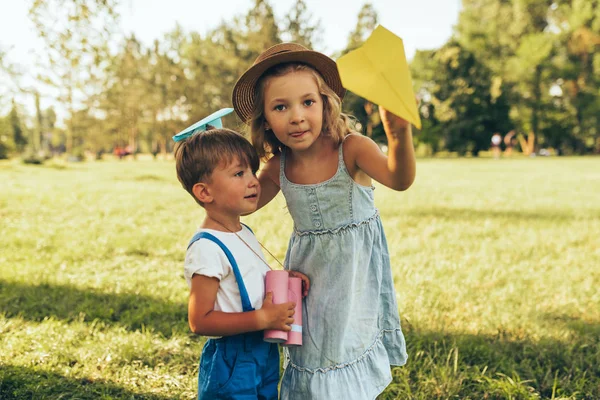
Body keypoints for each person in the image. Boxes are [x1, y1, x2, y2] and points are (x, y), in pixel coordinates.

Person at [232, 43, 414, 399]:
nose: (296, 116)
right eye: (280, 107)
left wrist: (399, 134)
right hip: (308, 280)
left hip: (354, 277)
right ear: (265, 119)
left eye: (307, 102)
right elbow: (242, 206)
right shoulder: (277, 166)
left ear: (325, 102)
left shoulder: (353, 148)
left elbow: (400, 178)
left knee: (347, 346)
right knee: (313, 354)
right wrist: (216, 171)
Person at [173, 108, 310, 400]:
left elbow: (247, 279)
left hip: (262, 351)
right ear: (204, 192)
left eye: (251, 170)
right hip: (232, 360)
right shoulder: (207, 248)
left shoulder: (242, 231)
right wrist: (261, 319)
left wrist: (285, 280)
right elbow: (200, 320)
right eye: (239, 173)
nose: (253, 180)